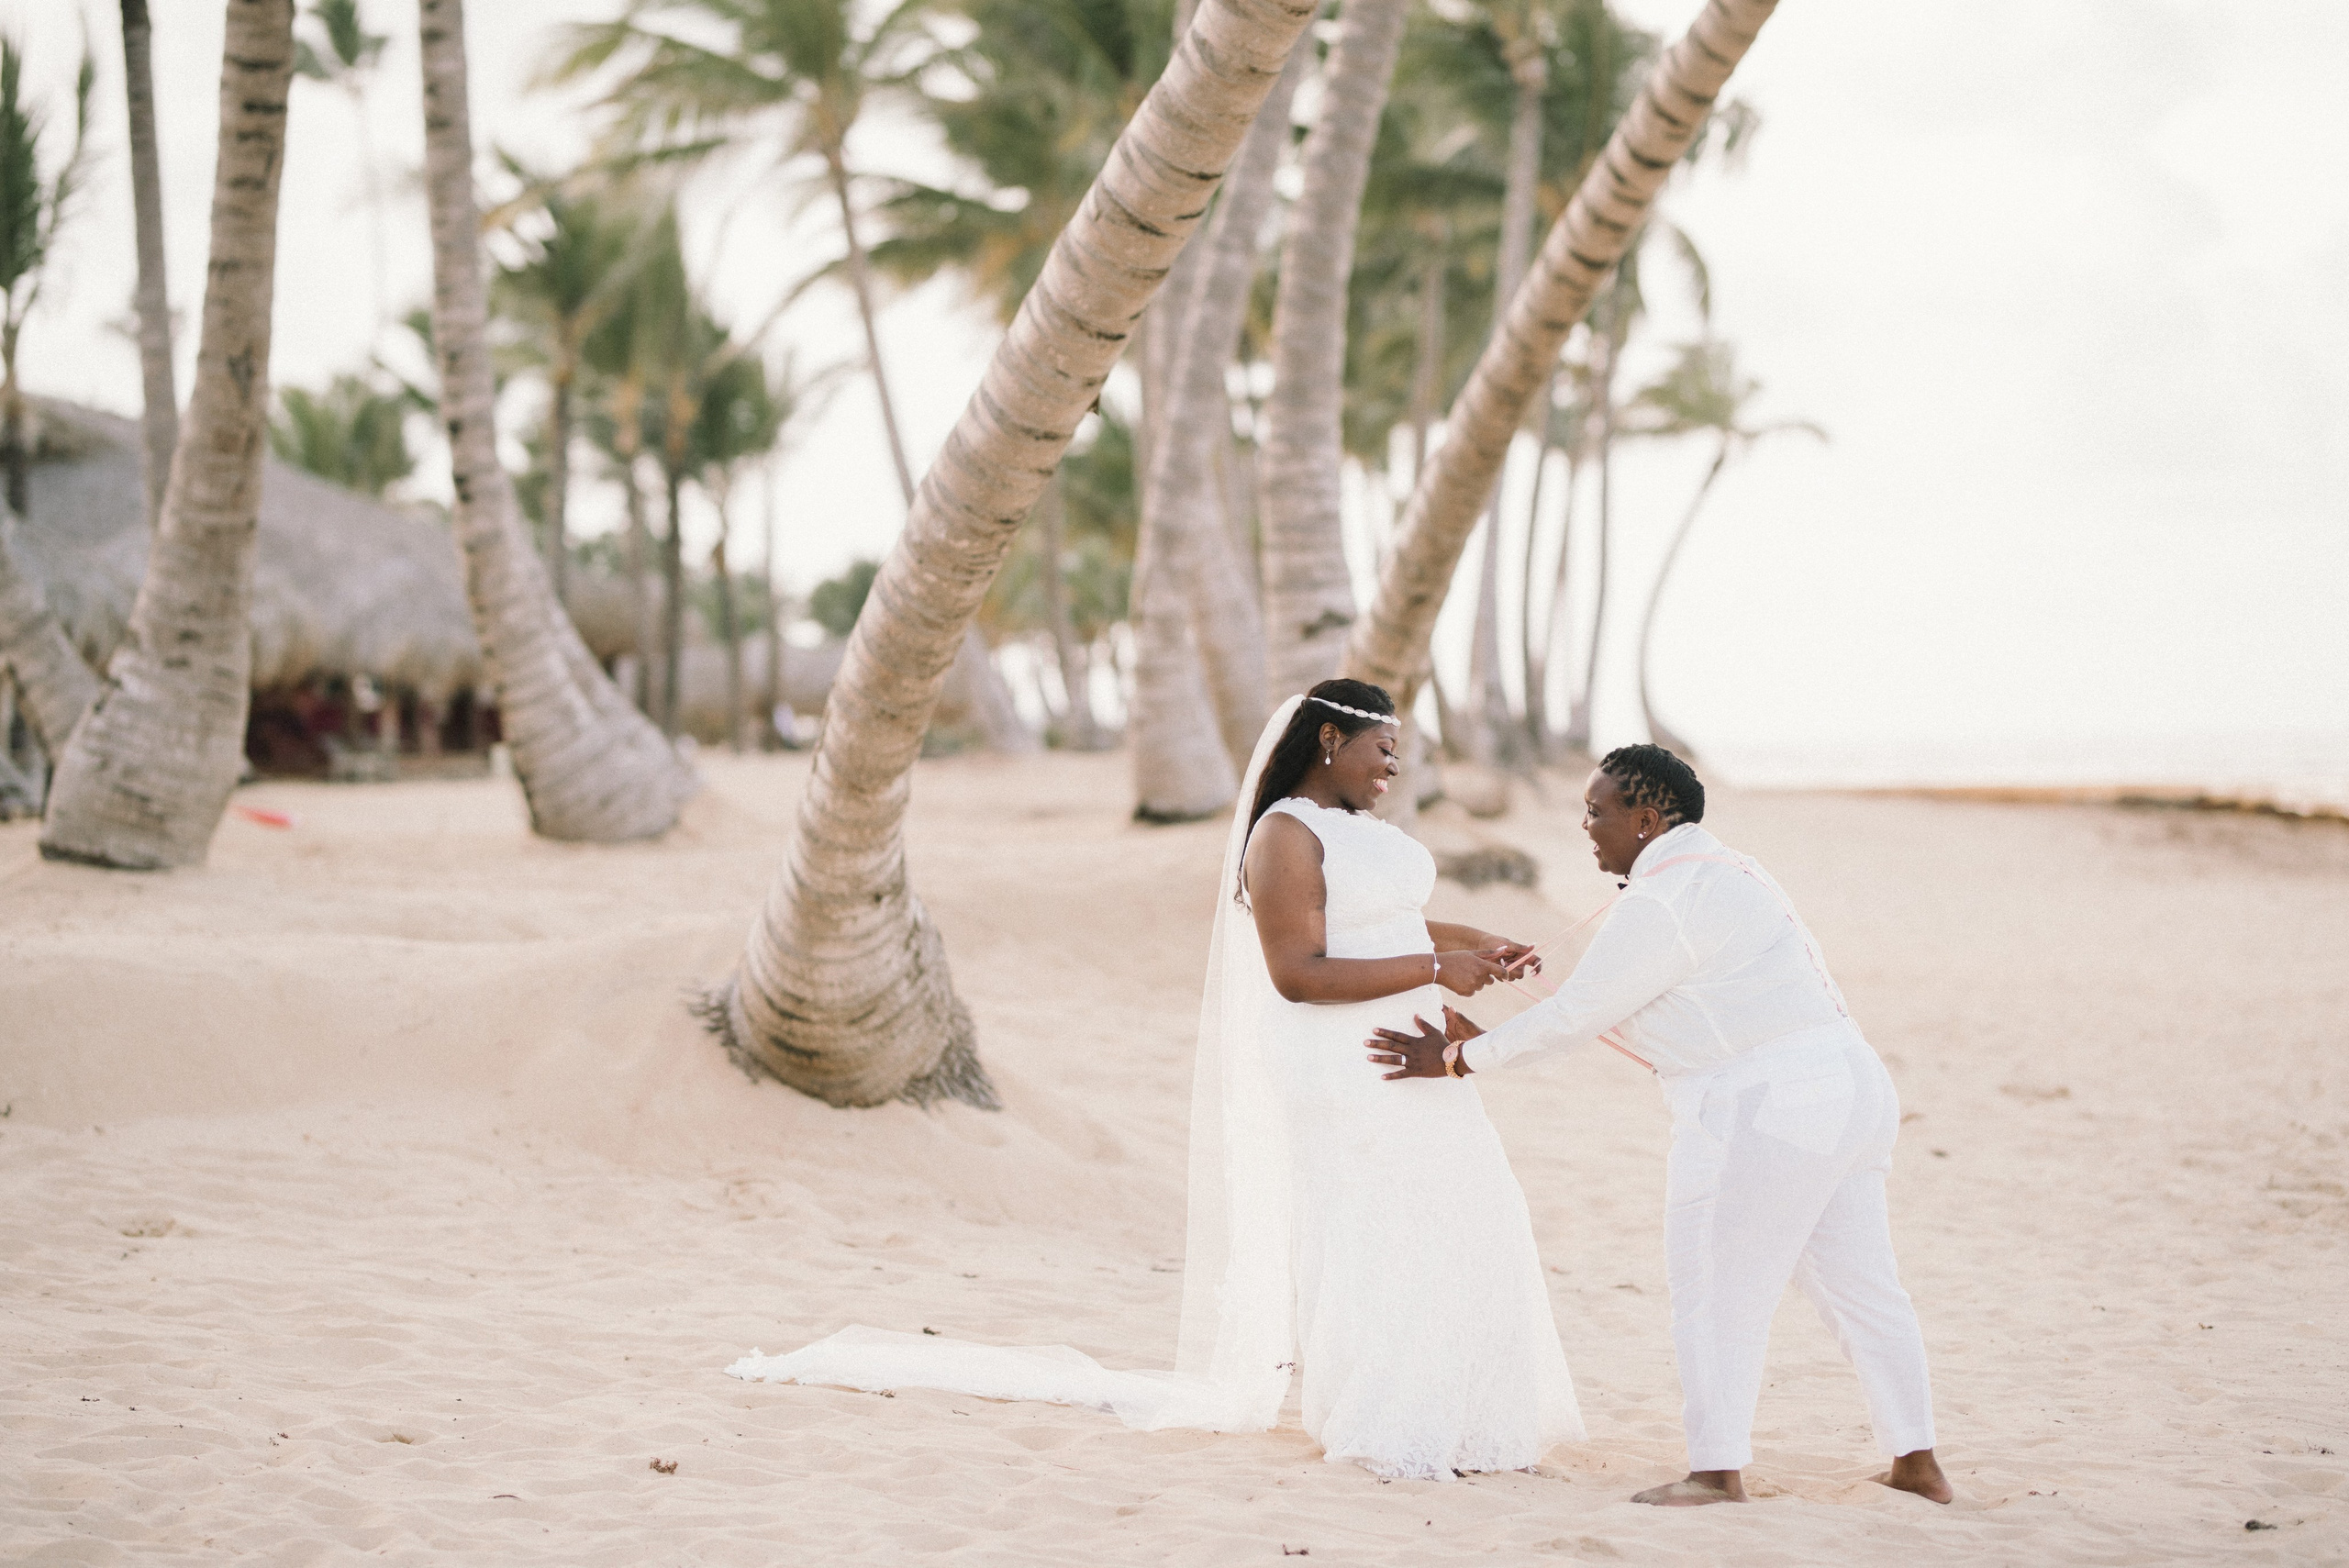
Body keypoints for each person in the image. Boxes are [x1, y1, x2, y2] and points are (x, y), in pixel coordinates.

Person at [728, 680, 1583, 1481]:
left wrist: (1480, 942)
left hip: (1417, 1048)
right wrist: (1439, 964)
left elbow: (1386, 918)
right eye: (1382, 747)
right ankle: (1390, 1423)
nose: (1396, 764)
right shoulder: (1284, 833)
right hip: (1345, 1062)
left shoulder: (1360, 833)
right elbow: (1296, 969)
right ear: (1329, 738)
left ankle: (1472, 1417)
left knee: (1465, 1210)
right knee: (1380, 1230)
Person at [1367, 744, 1952, 1507]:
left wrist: (1456, 1057)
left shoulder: (1661, 901)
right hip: (1849, 1086)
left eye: (1597, 810)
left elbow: (1582, 1017)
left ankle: (1714, 1472)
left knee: (1712, 1289)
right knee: (1866, 1290)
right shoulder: (1727, 869)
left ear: (1646, 819)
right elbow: (1641, 999)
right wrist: (1516, 994)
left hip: (1767, 1105)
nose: (1585, 825)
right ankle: (1918, 1464)